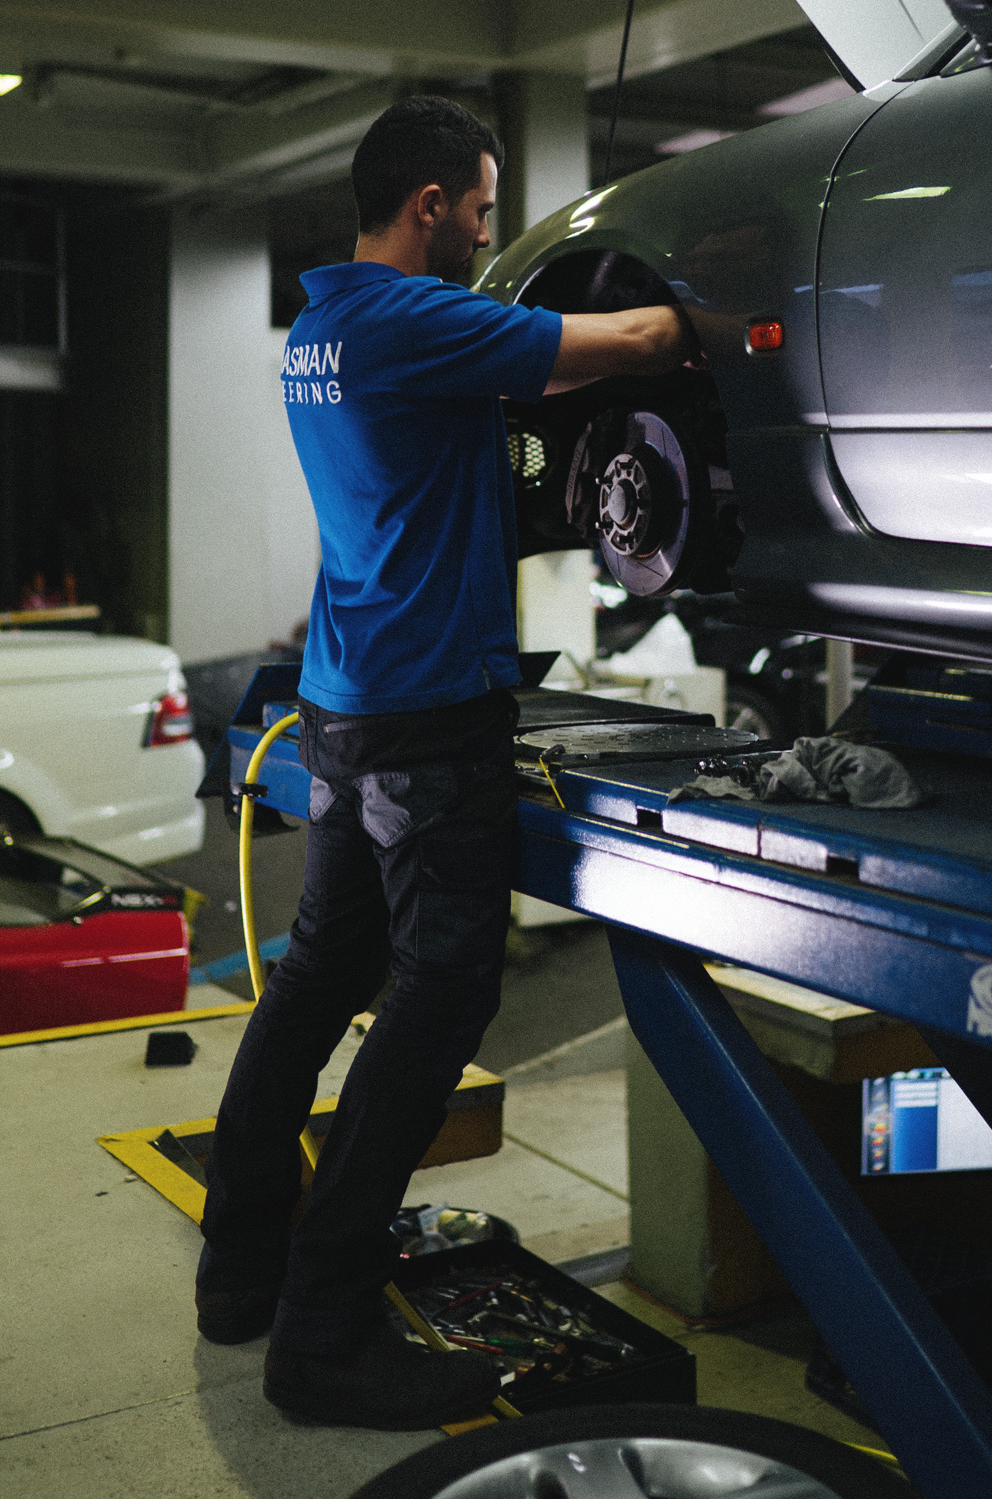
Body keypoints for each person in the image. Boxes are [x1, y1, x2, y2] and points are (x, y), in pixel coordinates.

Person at [196, 96, 688, 1429]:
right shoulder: (413, 321)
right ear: (428, 206)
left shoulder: (322, 328)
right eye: (477, 208)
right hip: (427, 715)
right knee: (438, 1003)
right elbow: (637, 342)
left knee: (318, 981)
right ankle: (324, 1330)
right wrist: (730, 311)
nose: (484, 230)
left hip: (346, 701)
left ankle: (241, 1271)